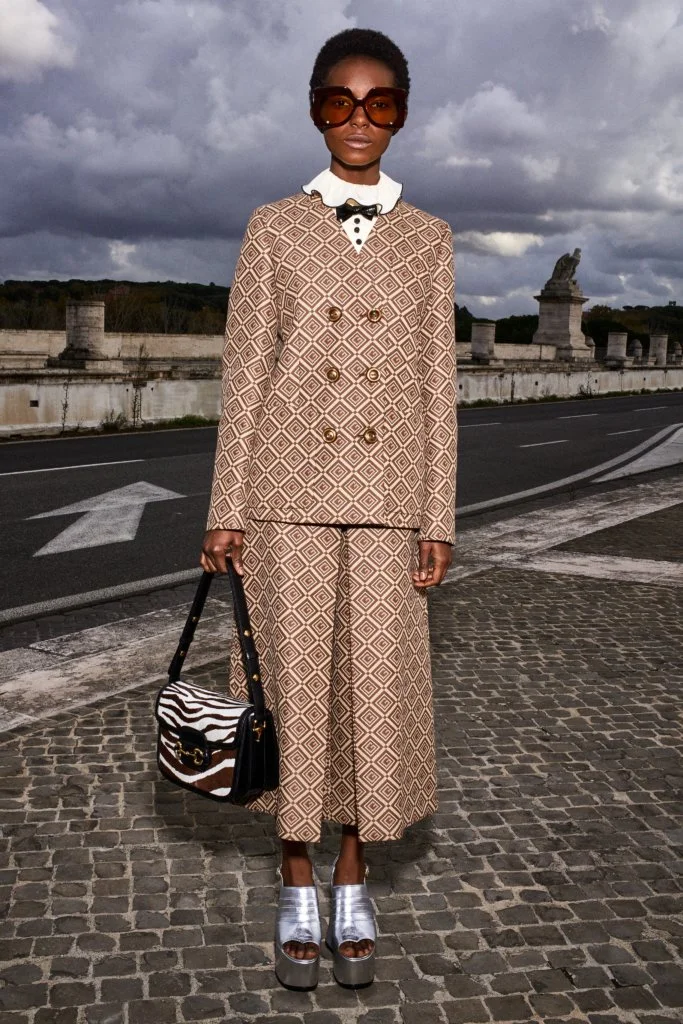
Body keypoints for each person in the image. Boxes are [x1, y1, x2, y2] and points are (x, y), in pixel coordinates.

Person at [200, 27, 457, 991]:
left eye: (378, 102)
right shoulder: (272, 226)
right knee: (288, 694)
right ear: (314, 109)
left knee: (370, 697)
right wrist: (225, 505)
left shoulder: (429, 238)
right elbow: (245, 375)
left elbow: (436, 385)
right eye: (338, 101)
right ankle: (294, 876)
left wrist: (438, 516)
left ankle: (353, 874)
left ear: (401, 114)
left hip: (390, 501)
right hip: (283, 499)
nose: (358, 119)